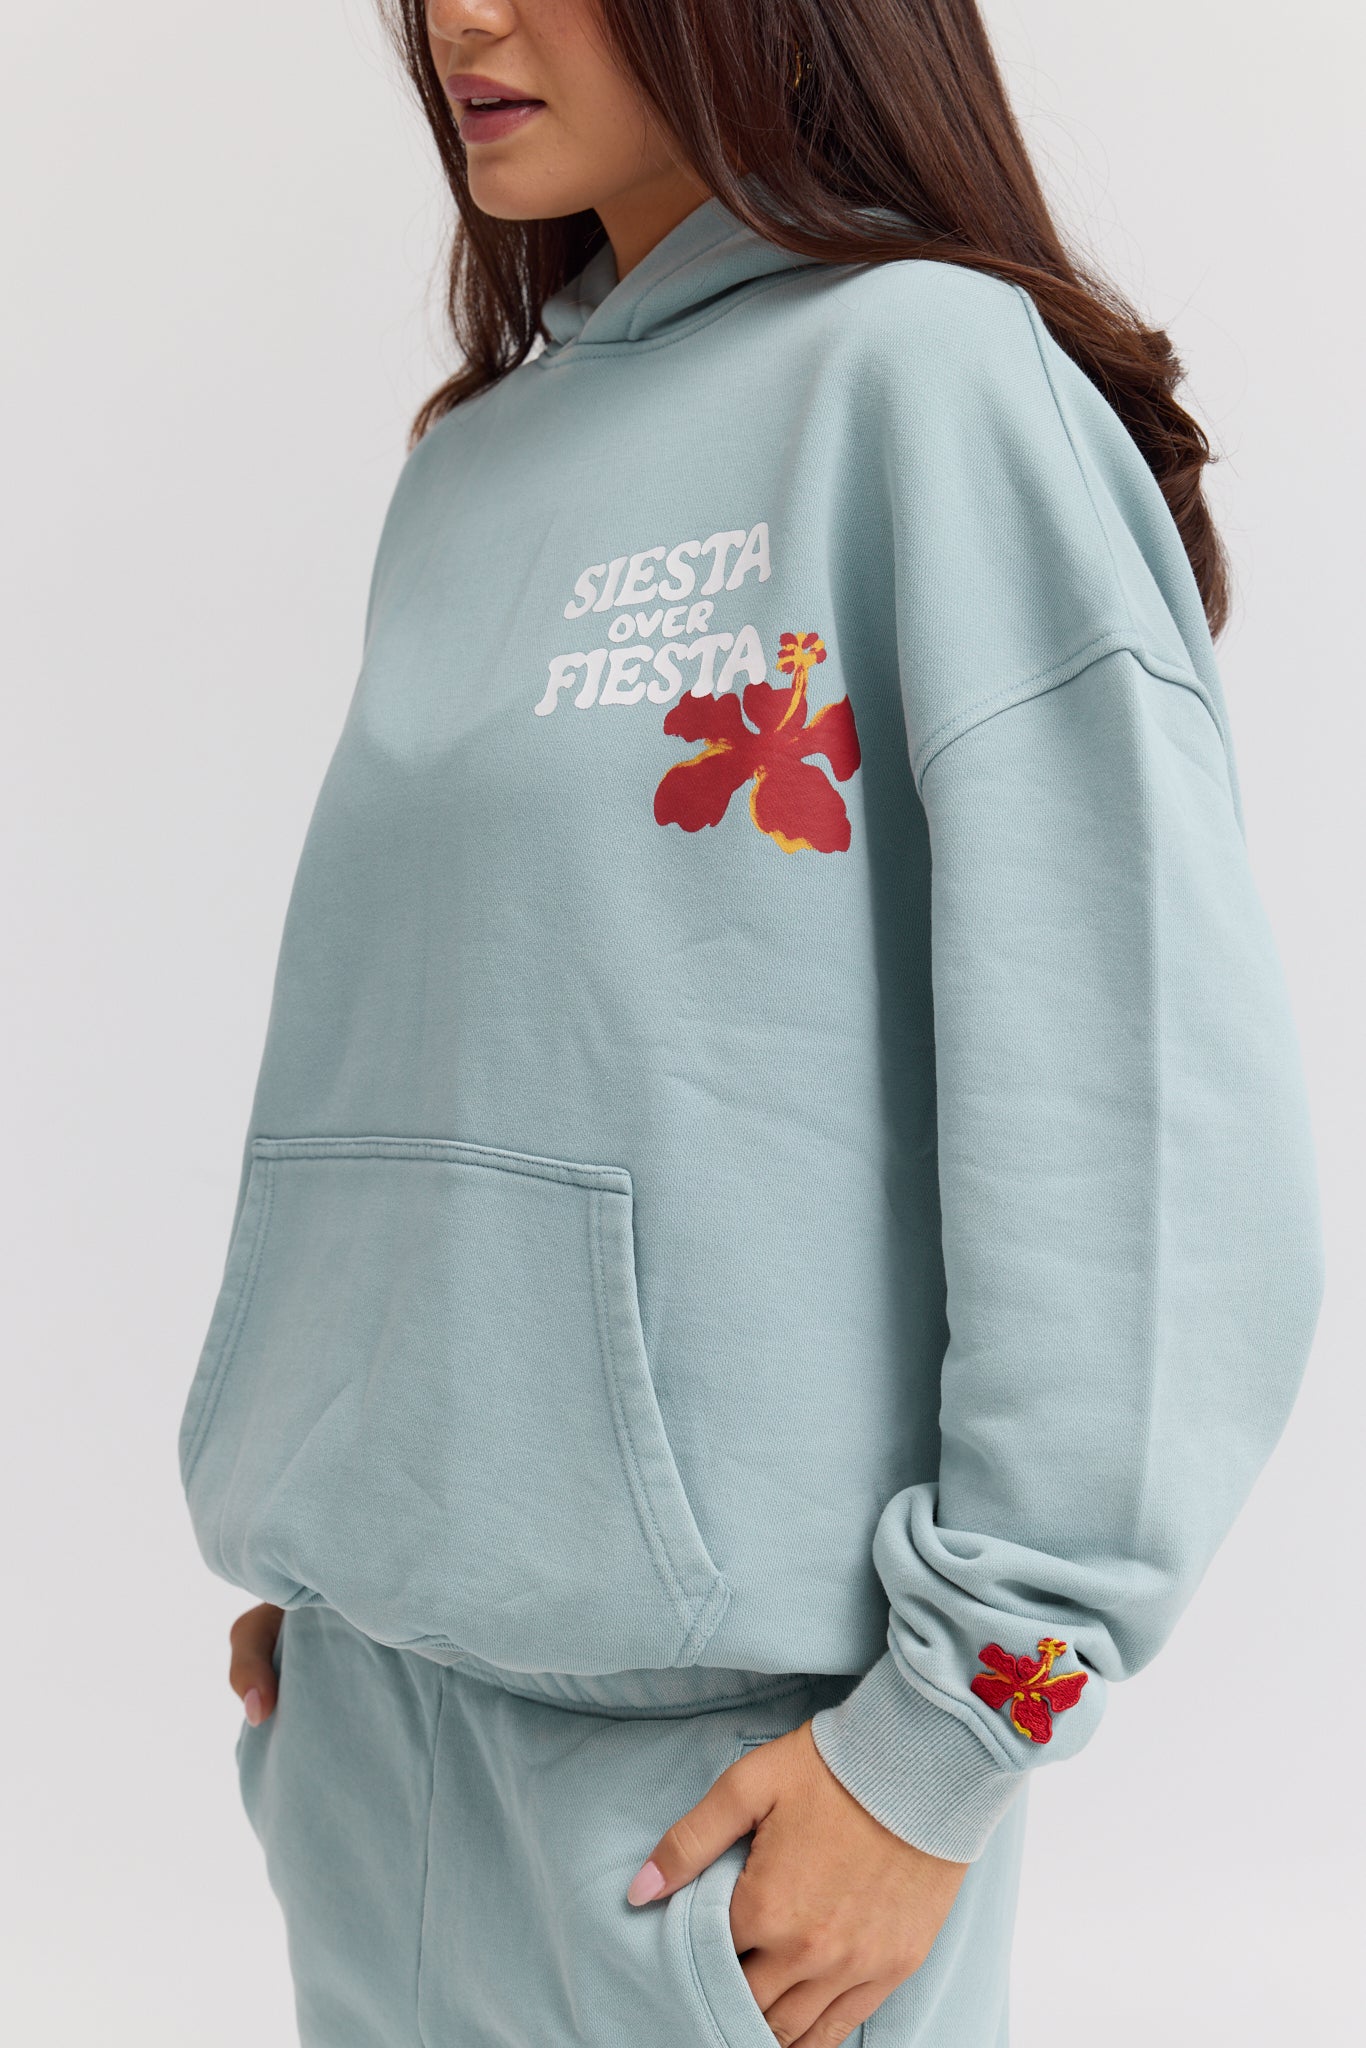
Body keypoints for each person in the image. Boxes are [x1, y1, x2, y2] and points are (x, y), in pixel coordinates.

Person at [177, 3, 1326, 2044]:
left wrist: (948, 1739)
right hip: (366, 1744)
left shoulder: (924, 382)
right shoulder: (472, 464)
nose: (458, 19)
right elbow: (452, 1045)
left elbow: (1144, 1134)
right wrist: (342, 1543)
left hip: (727, 1814)